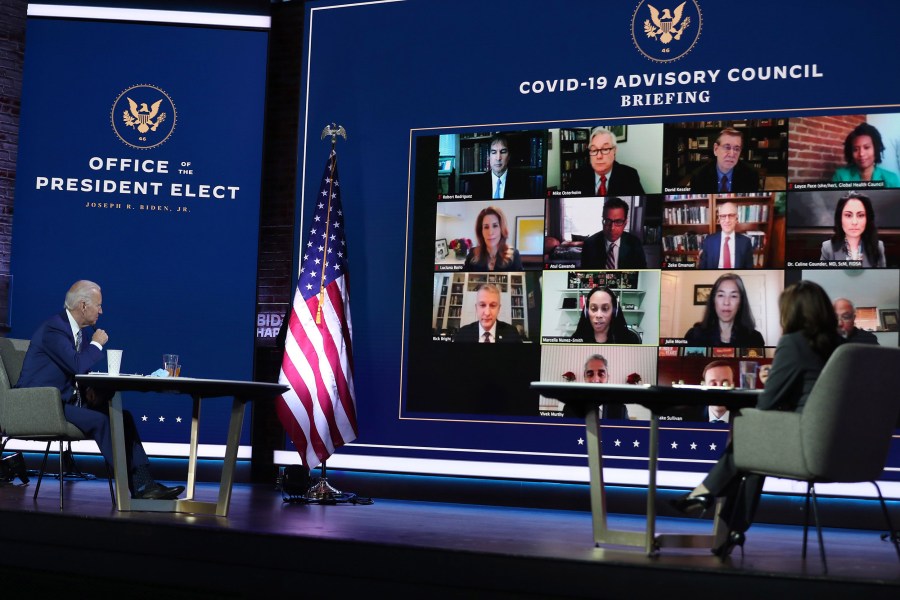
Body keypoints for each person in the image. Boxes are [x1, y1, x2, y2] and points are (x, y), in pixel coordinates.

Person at [670, 281, 844, 559]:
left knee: (750, 436)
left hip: (808, 449)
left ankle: (704, 493)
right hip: (843, 452)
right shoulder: (842, 347)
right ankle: (728, 531)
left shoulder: (794, 343)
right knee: (752, 457)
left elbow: (767, 403)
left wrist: (771, 380)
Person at [15, 280, 184, 500]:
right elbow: (76, 365)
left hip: (61, 401)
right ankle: (135, 485)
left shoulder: (77, 333)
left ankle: (144, 482)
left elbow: (73, 370)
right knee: (101, 421)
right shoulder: (54, 328)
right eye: (98, 305)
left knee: (122, 417)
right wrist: (96, 344)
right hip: (39, 405)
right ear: (83, 306)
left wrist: (88, 389)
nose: (101, 311)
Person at [683, 273, 765, 347]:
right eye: (721, 295)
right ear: (713, 300)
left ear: (741, 302)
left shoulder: (755, 339)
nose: (726, 302)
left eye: (733, 296)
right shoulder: (693, 335)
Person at [571, 127, 645, 196]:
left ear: (614, 150)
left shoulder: (630, 176)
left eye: (605, 149)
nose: (599, 156)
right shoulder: (577, 176)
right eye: (594, 150)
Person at [819, 192, 886, 267]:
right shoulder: (828, 247)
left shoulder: (878, 246)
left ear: (868, 218)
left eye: (860, 215)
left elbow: (881, 277)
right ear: (840, 218)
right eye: (848, 215)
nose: (854, 222)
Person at [580, 197, 648, 269]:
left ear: (625, 223)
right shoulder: (589, 244)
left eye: (618, 222)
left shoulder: (635, 243)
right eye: (608, 221)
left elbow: (642, 271)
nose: (612, 228)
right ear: (603, 221)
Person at [689, 128, 760, 194]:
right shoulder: (698, 176)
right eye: (727, 147)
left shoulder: (751, 175)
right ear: (716, 149)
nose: (732, 154)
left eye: (736, 149)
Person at [562, 354, 628, 420]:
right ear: (584, 377)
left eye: (601, 374)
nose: (595, 379)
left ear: (608, 377)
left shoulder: (621, 410)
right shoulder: (570, 408)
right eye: (590, 374)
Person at [832, 123, 900, 186]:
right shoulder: (840, 176)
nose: (861, 154)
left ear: (876, 149)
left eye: (866, 147)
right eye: (856, 149)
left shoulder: (891, 179)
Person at [469, 133, 532, 199]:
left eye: (503, 152)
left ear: (509, 156)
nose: (498, 158)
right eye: (494, 152)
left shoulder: (522, 182)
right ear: (489, 156)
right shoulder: (476, 184)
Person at [452, 283, 522, 342]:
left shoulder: (512, 333)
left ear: (499, 309)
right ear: (476, 308)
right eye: (482, 305)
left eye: (493, 305)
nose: (487, 313)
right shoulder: (463, 333)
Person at [570, 286, 641, 344]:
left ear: (614, 311)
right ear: (586, 312)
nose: (599, 315)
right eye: (593, 308)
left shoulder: (630, 340)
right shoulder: (575, 339)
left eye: (605, 308)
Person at [463, 206, 523, 271]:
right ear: (481, 231)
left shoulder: (514, 255)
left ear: (501, 229)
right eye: (486, 227)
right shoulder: (472, 254)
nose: (490, 232)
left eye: (495, 226)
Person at [697, 201, 754, 269]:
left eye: (731, 215)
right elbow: (703, 268)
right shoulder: (708, 241)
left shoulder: (746, 242)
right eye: (723, 216)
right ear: (719, 219)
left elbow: (749, 268)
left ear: (736, 218)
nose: (727, 220)